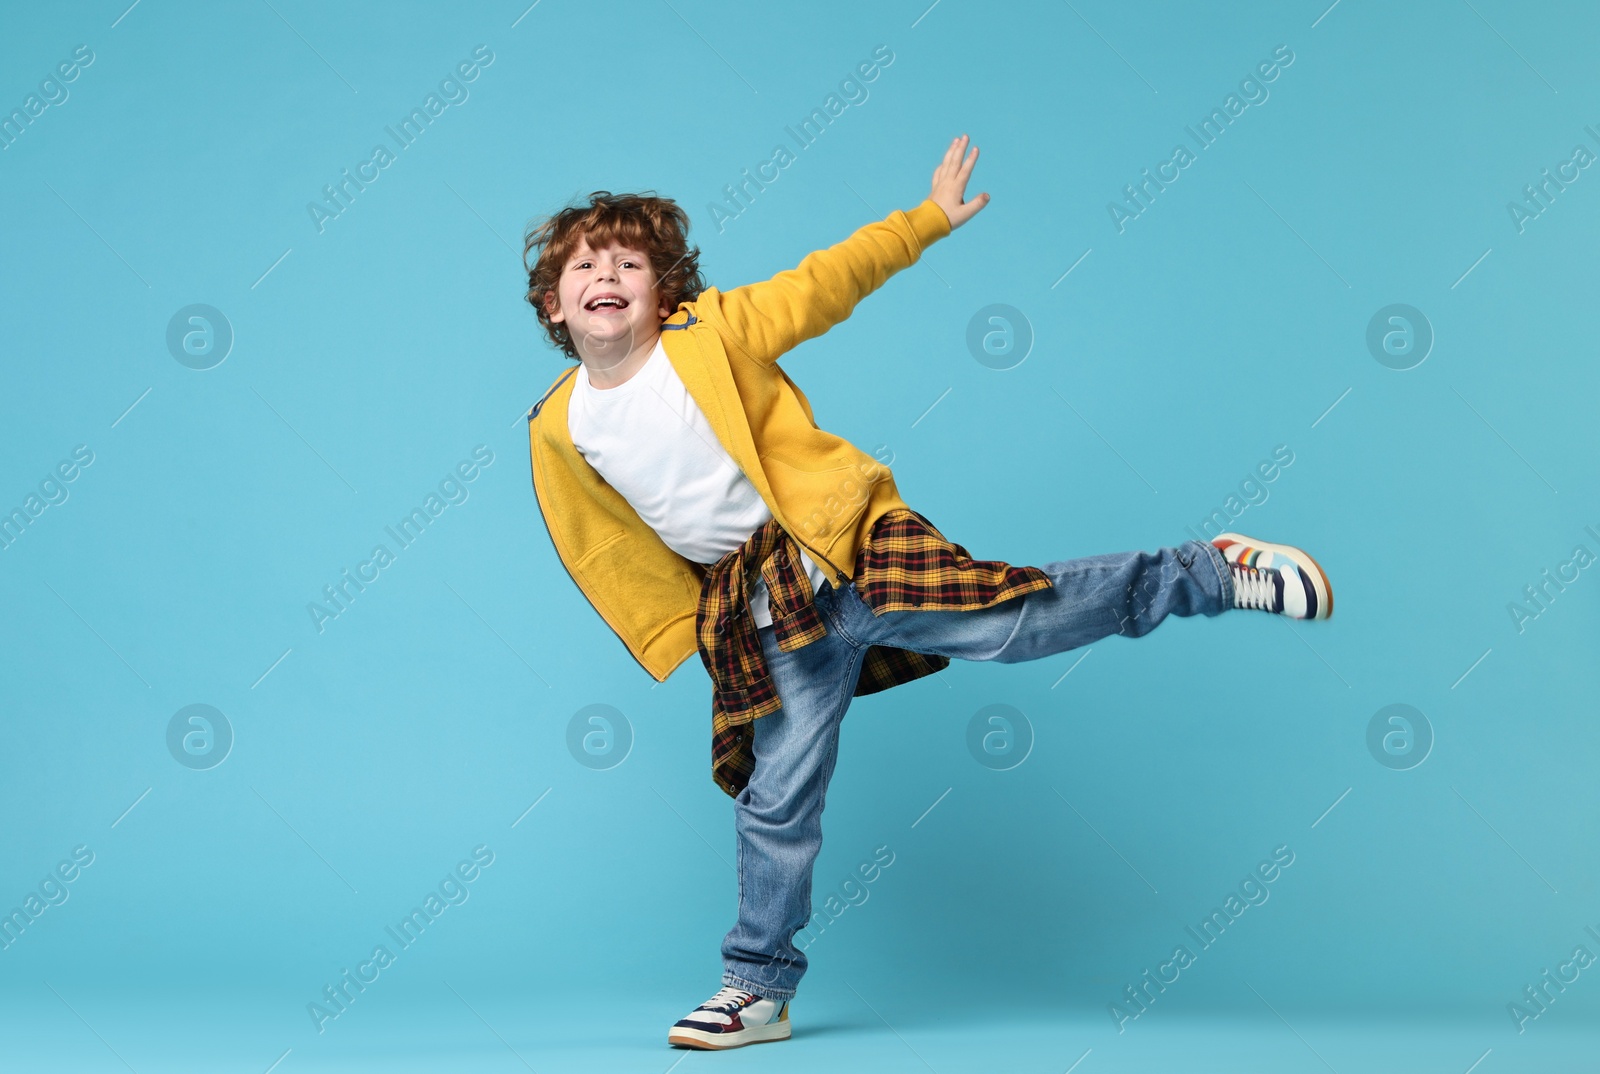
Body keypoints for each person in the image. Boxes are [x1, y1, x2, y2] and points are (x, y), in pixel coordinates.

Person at [521, 135, 1333, 1050]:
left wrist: (926, 222)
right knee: (778, 795)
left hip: (849, 553)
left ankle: (1209, 571)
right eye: (585, 266)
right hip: (768, 615)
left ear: (663, 290)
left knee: (1016, 622)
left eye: (629, 261)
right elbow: (606, 546)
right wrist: (684, 632)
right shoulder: (561, 425)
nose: (606, 275)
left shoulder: (713, 334)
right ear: (555, 304)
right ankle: (756, 988)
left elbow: (826, 281)